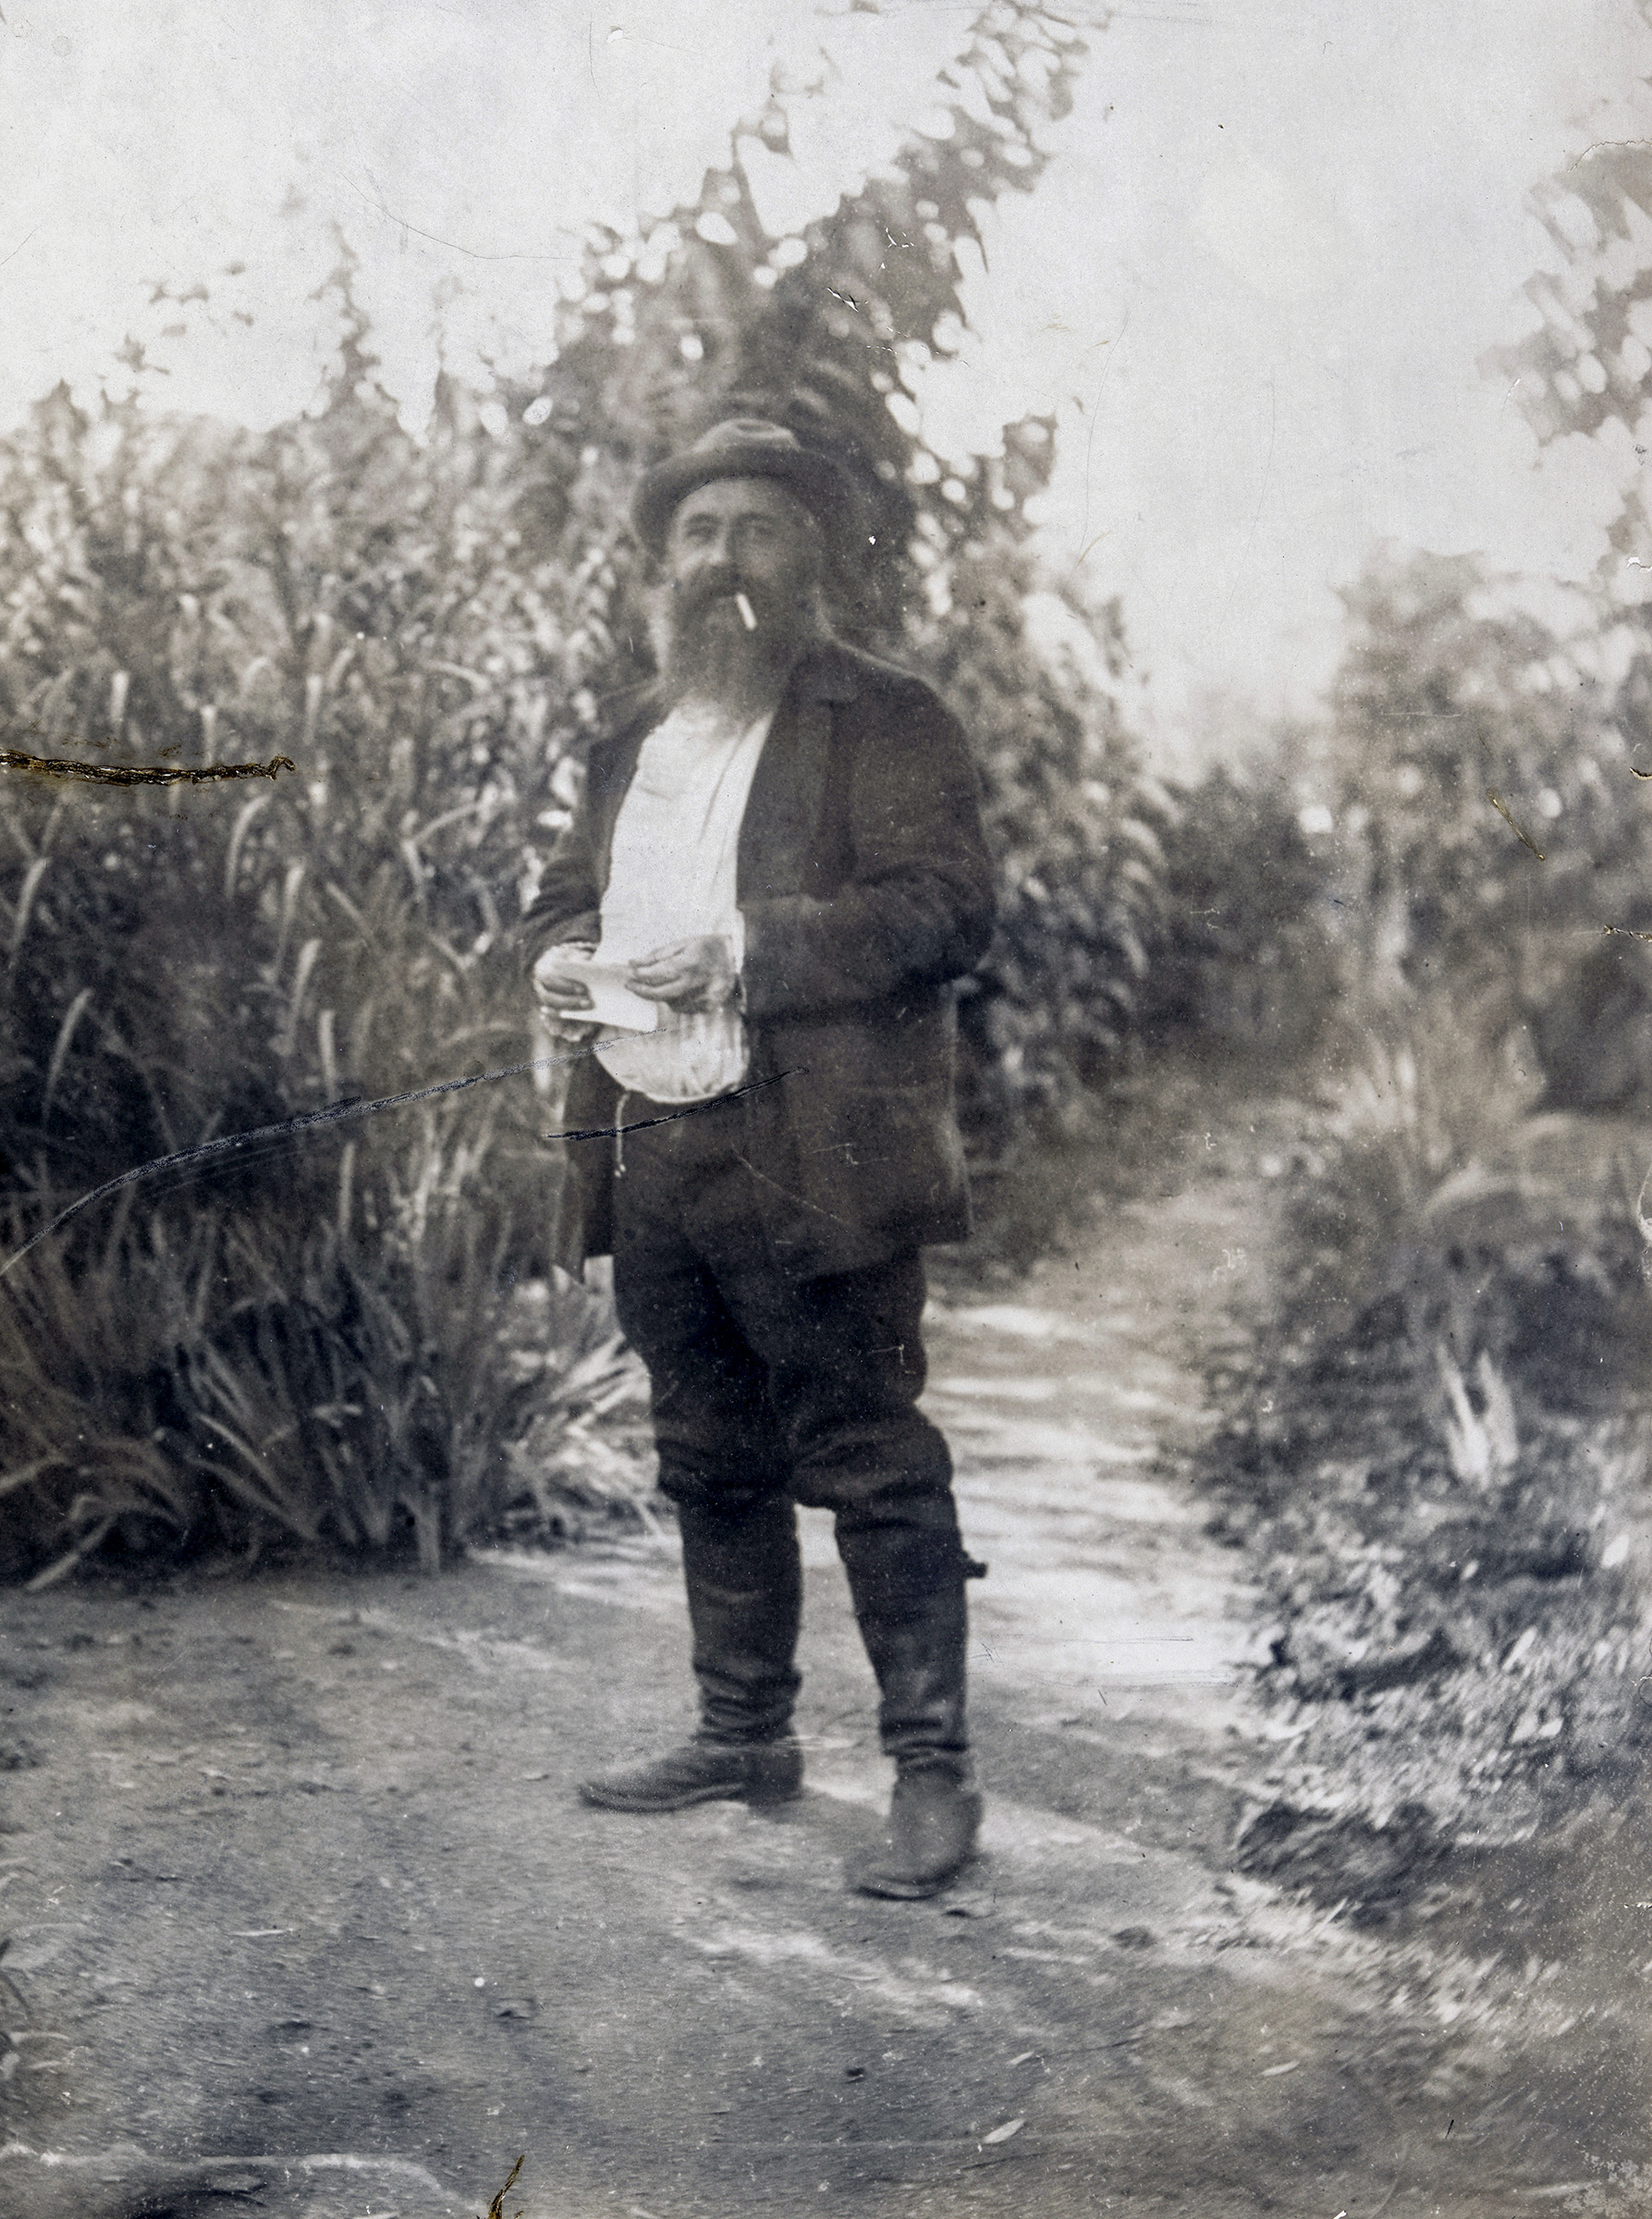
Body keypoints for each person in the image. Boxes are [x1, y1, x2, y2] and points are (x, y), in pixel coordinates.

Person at [520, 416, 997, 1899]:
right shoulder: (629, 739)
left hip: (815, 1147)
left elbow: (946, 913)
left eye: (759, 530)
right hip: (657, 1148)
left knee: (867, 1453)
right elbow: (559, 898)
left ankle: (932, 1773)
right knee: (706, 1454)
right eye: (698, 534)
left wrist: (743, 949)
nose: (724, 558)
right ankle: (744, 1733)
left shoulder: (882, 717)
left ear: (813, 556)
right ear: (664, 567)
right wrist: (558, 957)